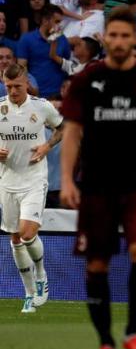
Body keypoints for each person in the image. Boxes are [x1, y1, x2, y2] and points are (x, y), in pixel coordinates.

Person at [60, 6, 136, 349]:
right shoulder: (86, 81)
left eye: (125, 35)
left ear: (135, 39)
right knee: (97, 264)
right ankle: (104, 340)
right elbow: (72, 132)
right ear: (105, 37)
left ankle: (132, 333)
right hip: (96, 186)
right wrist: (67, 180)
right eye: (112, 34)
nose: (118, 41)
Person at [0, 64, 63, 313]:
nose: (13, 91)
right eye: (8, 86)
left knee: (27, 234)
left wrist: (47, 146)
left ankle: (41, 275)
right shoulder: (0, 107)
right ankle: (28, 294)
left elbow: (62, 127)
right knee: (15, 238)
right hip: (7, 180)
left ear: (26, 83)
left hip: (35, 179)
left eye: (17, 86)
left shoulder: (41, 106)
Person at [17, 4, 71, 99]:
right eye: (57, 22)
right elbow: (21, 68)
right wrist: (31, 90)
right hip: (37, 96)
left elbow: (67, 66)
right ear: (45, 20)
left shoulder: (63, 39)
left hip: (59, 96)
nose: (60, 26)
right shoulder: (26, 39)